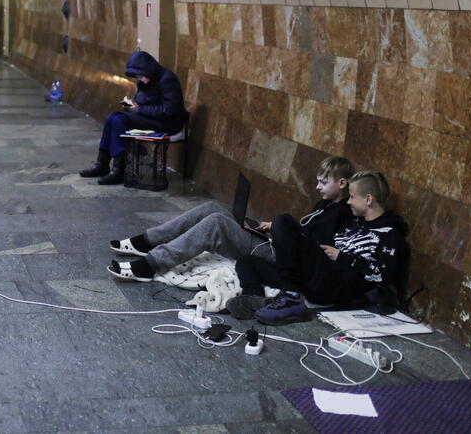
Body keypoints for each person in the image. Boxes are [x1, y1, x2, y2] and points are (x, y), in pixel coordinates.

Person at [108, 156, 354, 282]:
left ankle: (151, 265)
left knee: (216, 223)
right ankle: (147, 241)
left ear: (342, 183)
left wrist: (281, 231)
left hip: (279, 258)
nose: (317, 186)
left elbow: (313, 249)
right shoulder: (325, 205)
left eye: (324, 182)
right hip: (276, 243)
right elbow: (304, 231)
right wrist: (274, 227)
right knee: (211, 207)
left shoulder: (342, 213)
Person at [229, 170, 407, 325]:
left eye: (352, 197)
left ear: (368, 199)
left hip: (337, 285)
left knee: (282, 221)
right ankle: (256, 299)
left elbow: (382, 275)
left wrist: (341, 256)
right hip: (318, 276)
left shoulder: (389, 234)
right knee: (247, 262)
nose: (348, 202)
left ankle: (291, 298)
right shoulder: (353, 223)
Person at [79, 50, 187, 185]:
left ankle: (119, 170)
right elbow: (142, 102)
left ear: (149, 69)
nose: (140, 79)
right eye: (138, 77)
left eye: (141, 76)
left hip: (167, 122)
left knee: (120, 120)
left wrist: (138, 109)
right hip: (151, 117)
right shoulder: (145, 81)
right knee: (112, 117)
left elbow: (169, 110)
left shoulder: (167, 79)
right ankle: (102, 163)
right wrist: (131, 105)